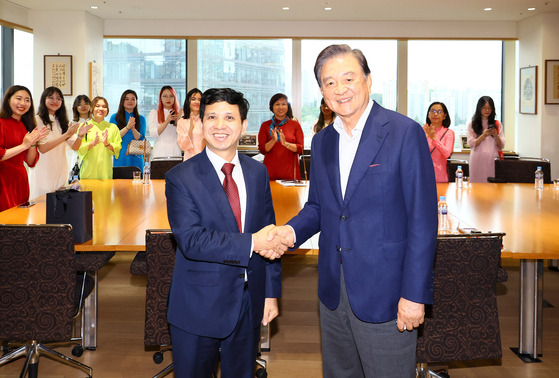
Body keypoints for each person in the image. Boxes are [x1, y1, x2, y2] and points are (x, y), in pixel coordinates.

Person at [270, 44, 438, 377]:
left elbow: (423, 221)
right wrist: (287, 232)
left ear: (368, 80)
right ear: (321, 92)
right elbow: (320, 207)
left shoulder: (404, 133)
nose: (340, 89)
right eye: (329, 82)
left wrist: (414, 295)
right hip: (333, 291)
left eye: (349, 78)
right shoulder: (322, 142)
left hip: (388, 293)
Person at [165, 88, 288, 377]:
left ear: (244, 126)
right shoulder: (180, 178)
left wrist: (271, 293)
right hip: (198, 306)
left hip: (248, 302)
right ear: (201, 123)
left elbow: (267, 231)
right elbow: (192, 241)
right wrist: (252, 242)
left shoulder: (258, 173)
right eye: (212, 117)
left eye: (229, 117)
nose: (220, 125)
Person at [28, 87, 84, 199]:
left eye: (59, 98)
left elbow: (75, 146)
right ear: (44, 99)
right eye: (51, 97)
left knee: (59, 210)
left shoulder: (62, 122)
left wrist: (80, 136)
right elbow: (43, 149)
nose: (55, 101)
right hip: (43, 173)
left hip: (60, 172)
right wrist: (66, 135)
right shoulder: (36, 120)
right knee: (41, 208)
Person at [0, 85, 49, 212]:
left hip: (20, 178)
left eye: (27, 100)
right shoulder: (1, 122)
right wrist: (24, 145)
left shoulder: (26, 124)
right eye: (19, 98)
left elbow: (30, 161)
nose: (23, 103)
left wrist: (33, 144)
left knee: (19, 220)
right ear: (8, 100)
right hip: (3, 179)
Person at [258, 93, 304, 180]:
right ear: (272, 107)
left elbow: (300, 148)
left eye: (284, 104)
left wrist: (286, 144)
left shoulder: (295, 125)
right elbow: (262, 150)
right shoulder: (265, 125)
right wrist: (273, 140)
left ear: (287, 106)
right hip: (270, 172)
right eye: (277, 104)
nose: (281, 107)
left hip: (290, 173)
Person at [77, 96, 122, 179]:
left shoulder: (113, 127)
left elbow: (117, 148)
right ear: (91, 109)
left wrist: (107, 144)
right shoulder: (84, 126)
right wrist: (92, 143)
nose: (101, 109)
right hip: (87, 173)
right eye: (97, 106)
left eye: (104, 107)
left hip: (105, 173)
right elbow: (79, 148)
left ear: (107, 110)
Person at [467, 96, 505, 183]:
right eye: (484, 108)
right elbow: (471, 144)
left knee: (492, 186)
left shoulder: (497, 124)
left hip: (492, 159)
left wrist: (496, 135)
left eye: (489, 108)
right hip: (477, 159)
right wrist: (483, 135)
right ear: (479, 108)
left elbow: (501, 145)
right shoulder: (472, 124)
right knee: (476, 187)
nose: (487, 110)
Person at [110, 89, 147, 169]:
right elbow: (114, 137)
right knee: (120, 180)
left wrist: (133, 129)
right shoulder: (114, 117)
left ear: (136, 102)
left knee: (137, 180)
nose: (130, 101)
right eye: (127, 99)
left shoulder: (141, 119)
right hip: (121, 156)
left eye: (133, 99)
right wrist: (127, 127)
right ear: (122, 101)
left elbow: (140, 138)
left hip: (137, 157)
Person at [422, 101, 455, 183]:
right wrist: (423, 138)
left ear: (444, 116)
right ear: (428, 114)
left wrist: (434, 138)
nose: (435, 114)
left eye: (439, 112)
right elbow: (413, 152)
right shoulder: (422, 131)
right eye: (432, 111)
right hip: (422, 174)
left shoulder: (448, 133)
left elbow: (447, 153)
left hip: (440, 176)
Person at [149, 85, 182, 158]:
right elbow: (153, 134)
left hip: (175, 151)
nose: (168, 99)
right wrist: (167, 121)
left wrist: (178, 122)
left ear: (175, 98)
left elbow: (183, 136)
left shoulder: (179, 114)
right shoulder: (154, 113)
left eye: (171, 96)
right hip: (160, 151)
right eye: (165, 96)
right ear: (160, 98)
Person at [177, 88, 204, 161]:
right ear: (188, 102)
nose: (197, 102)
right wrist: (191, 128)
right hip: (189, 161)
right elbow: (183, 146)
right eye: (193, 99)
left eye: (199, 99)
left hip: (205, 160)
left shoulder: (207, 120)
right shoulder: (182, 122)